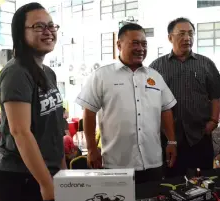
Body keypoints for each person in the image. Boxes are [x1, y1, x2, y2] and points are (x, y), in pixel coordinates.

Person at [75, 23, 177, 184]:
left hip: (152, 161)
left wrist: (172, 141)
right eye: (135, 43)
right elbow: (89, 112)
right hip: (116, 164)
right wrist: (92, 149)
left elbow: (166, 110)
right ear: (119, 44)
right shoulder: (101, 76)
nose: (141, 48)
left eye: (144, 44)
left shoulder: (155, 77)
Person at [0, 3, 65, 201]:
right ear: (20, 33)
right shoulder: (16, 72)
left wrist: (63, 172)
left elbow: (53, 129)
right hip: (21, 177)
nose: (48, 31)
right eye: (39, 26)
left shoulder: (48, 73)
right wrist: (45, 183)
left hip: (47, 172)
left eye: (51, 26)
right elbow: (20, 132)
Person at [150, 17, 220, 176]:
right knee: (172, 179)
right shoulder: (156, 67)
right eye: (182, 34)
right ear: (170, 37)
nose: (187, 38)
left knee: (205, 178)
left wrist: (213, 121)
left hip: (200, 134)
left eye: (191, 34)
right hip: (169, 137)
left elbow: (216, 95)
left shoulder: (206, 64)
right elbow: (149, 100)